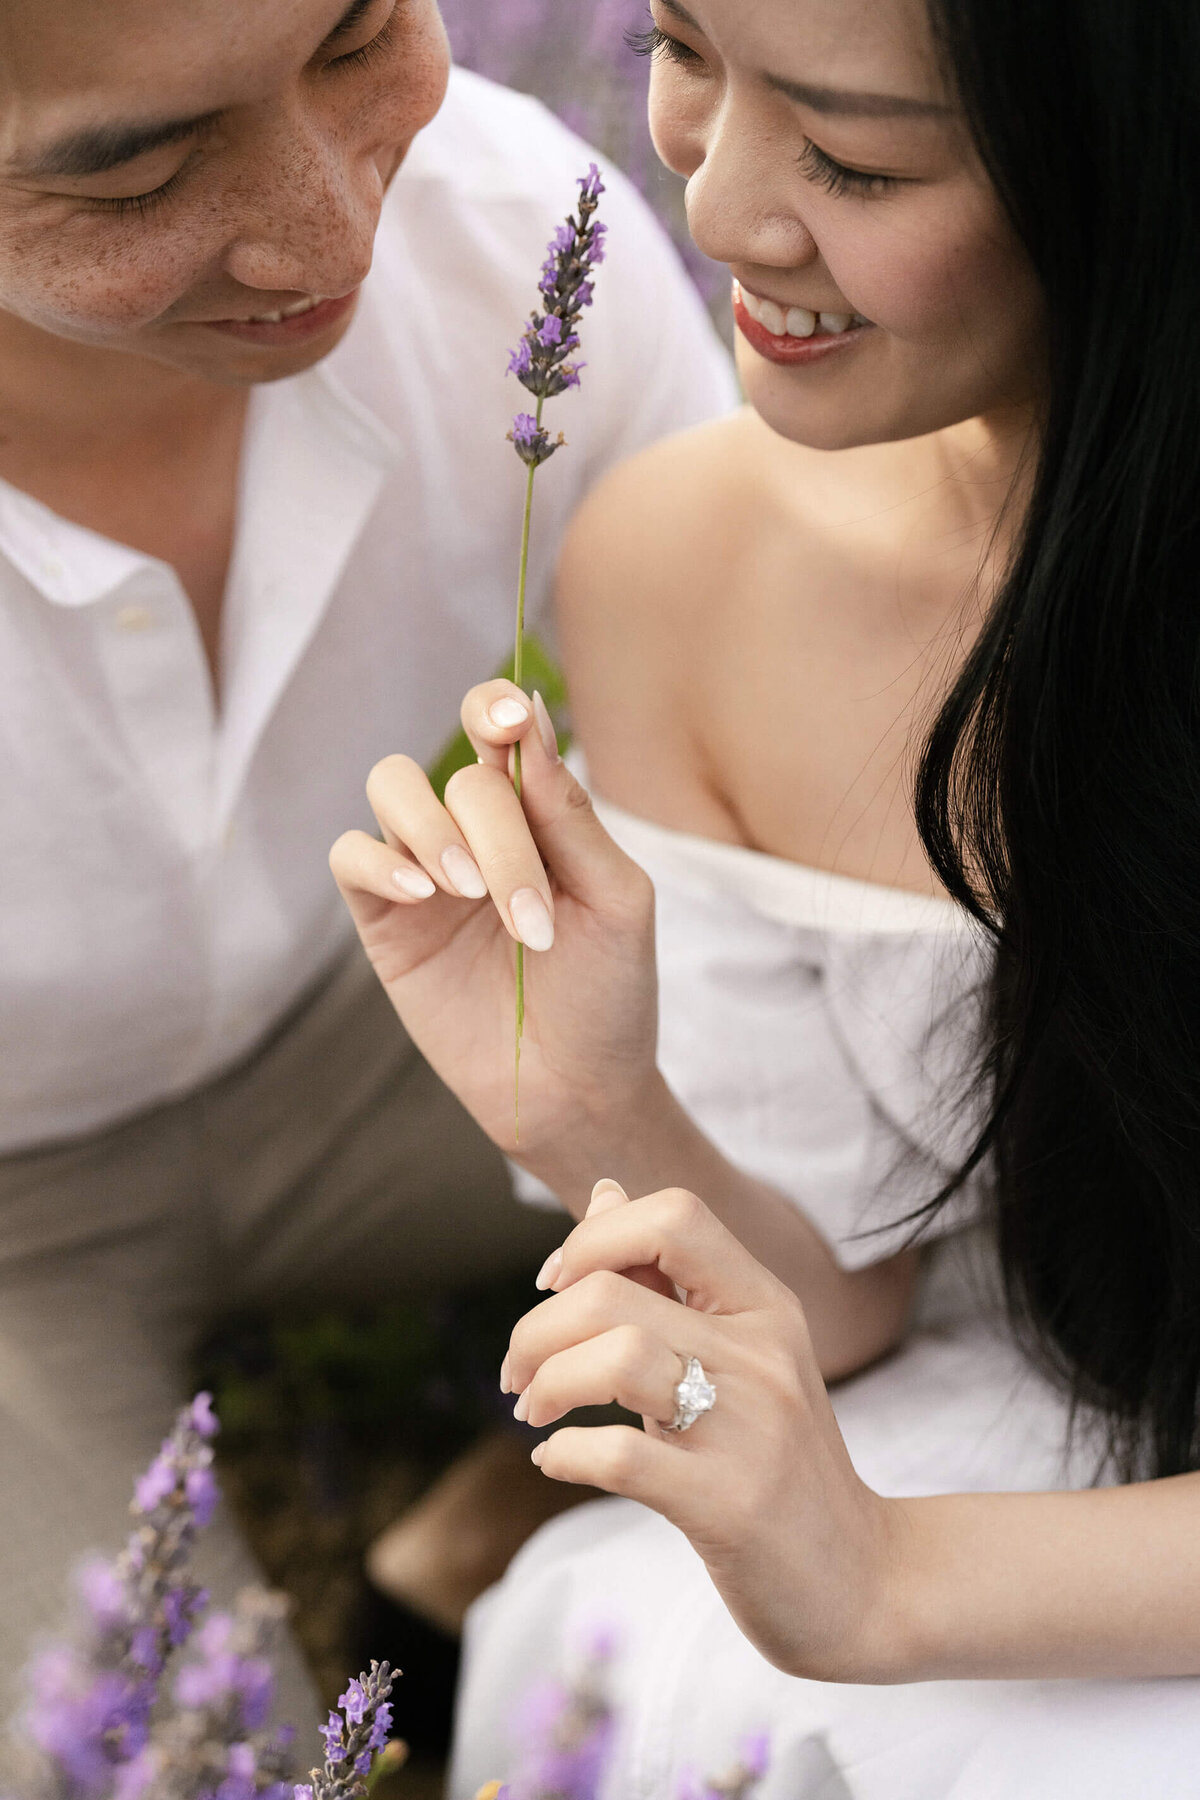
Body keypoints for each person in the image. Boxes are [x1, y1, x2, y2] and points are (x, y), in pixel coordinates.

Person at [330, 0, 1200, 1791]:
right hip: (1052, 1414)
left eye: (857, 155)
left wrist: (890, 1579)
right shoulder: (686, 560)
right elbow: (849, 1294)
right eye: (683, 46)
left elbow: (880, 1577)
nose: (716, 210)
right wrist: (593, 1102)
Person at [0, 0, 736, 1731]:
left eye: (357, 39)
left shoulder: (512, 240)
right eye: (135, 171)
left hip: (380, 1046)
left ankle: (502, 1512)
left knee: (969, 1090)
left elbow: (750, 784)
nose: (340, 233)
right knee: (157, 1756)